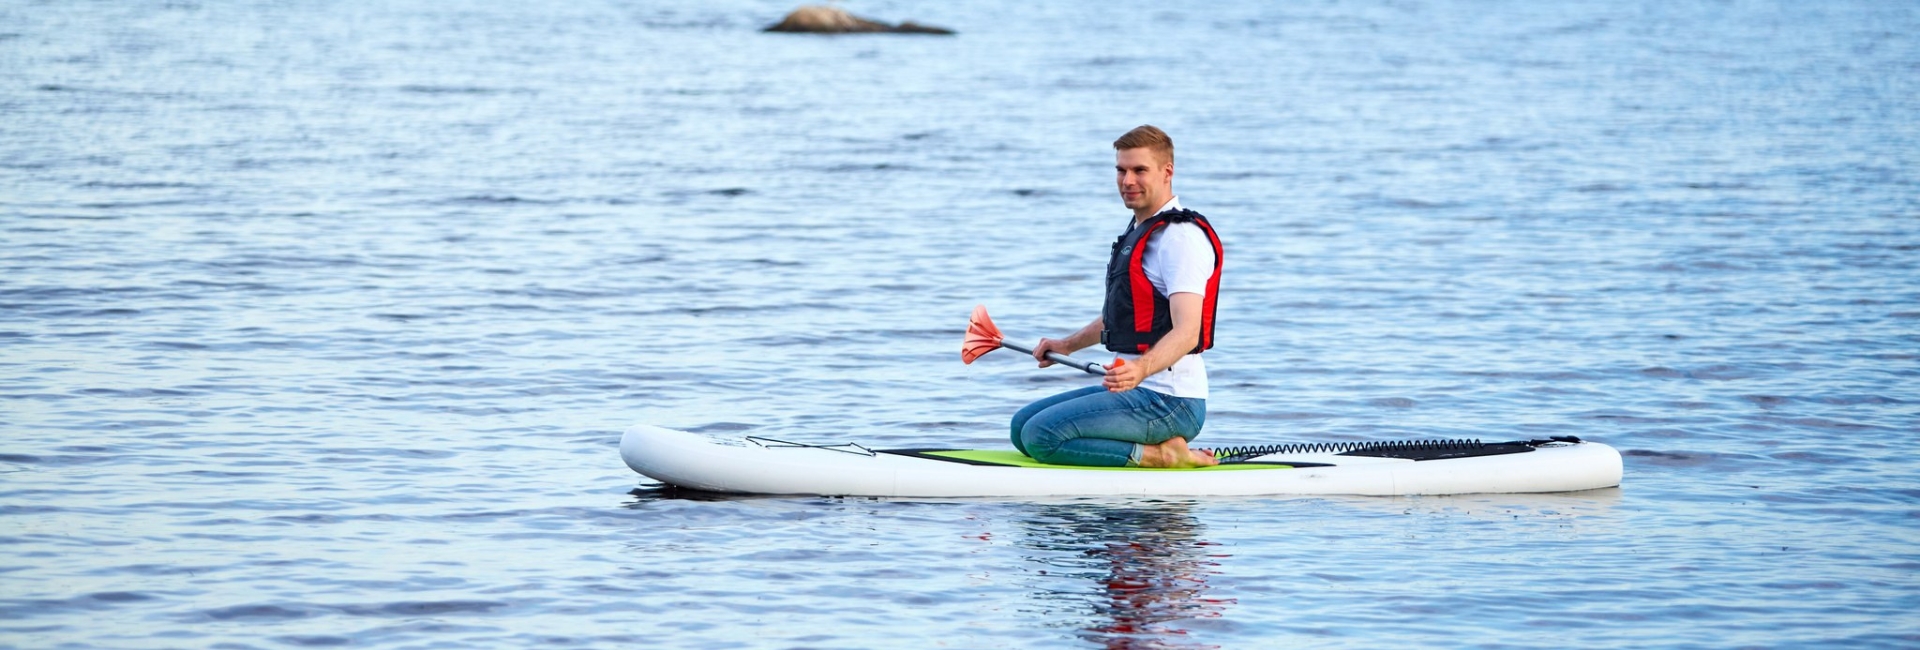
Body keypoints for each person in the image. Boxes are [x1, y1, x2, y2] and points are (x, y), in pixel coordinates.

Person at [1009, 125, 1223, 468]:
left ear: (1167, 172)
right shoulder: (1140, 230)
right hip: (1139, 391)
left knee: (1041, 436)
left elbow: (1188, 332)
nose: (1127, 181)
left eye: (1140, 170)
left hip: (1171, 401)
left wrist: (1140, 369)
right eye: (1121, 170)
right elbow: (1123, 316)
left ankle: (1161, 454)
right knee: (1021, 428)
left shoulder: (1180, 239)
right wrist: (1067, 345)